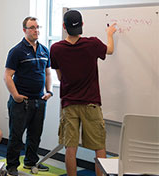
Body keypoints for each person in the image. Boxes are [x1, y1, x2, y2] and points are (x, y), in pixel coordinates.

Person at [48, 10, 115, 176]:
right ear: (82, 25)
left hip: (69, 105)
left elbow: (60, 76)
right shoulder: (92, 44)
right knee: (99, 147)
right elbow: (110, 50)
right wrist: (109, 33)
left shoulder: (56, 48)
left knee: (70, 148)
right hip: (91, 104)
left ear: (64, 27)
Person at [3, 16, 52, 175]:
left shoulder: (44, 50)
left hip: (39, 100)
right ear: (24, 30)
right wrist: (15, 95)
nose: (36, 30)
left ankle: (31, 162)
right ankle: (11, 166)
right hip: (21, 102)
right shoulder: (17, 51)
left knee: (35, 134)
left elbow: (47, 73)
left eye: (38, 27)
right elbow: (7, 76)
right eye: (32, 27)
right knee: (16, 136)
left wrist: (49, 91)